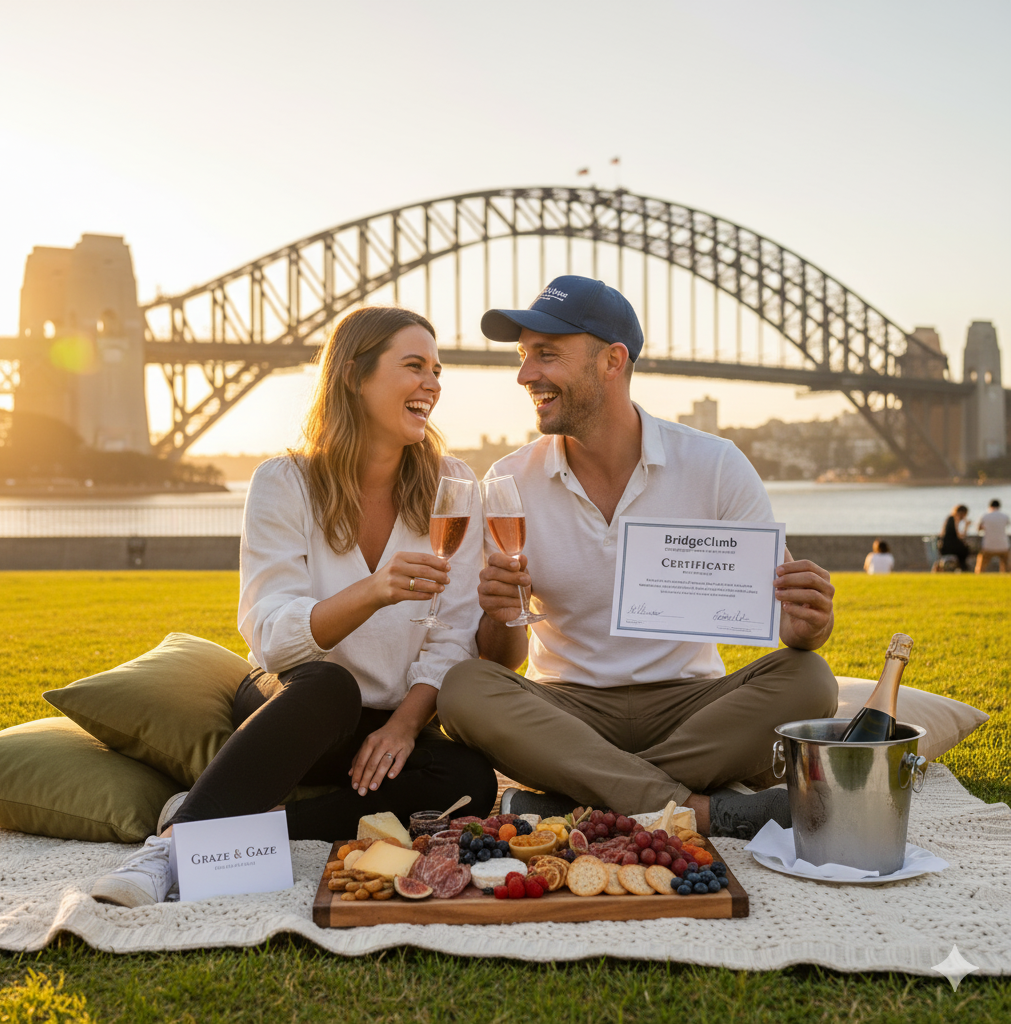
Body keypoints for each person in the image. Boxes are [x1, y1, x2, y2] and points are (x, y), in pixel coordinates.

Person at [92, 306, 497, 908]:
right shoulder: (283, 482)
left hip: (390, 721)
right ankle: (171, 850)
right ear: (354, 377)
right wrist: (373, 590)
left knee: (470, 779)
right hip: (299, 699)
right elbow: (275, 638)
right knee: (331, 687)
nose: (433, 384)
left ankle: (235, 827)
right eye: (414, 366)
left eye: (437, 370)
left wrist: (406, 724)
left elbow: (456, 628)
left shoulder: (454, 486)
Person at [437, 276, 837, 841]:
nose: (525, 375)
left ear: (613, 361)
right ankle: (698, 812)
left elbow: (785, 627)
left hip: (693, 704)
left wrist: (807, 626)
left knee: (811, 679)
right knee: (464, 688)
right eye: (524, 357)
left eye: (546, 355)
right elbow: (504, 662)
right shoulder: (507, 480)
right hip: (569, 709)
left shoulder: (715, 465)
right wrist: (501, 614)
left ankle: (575, 799)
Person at [975, 499, 1010, 573]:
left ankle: (978, 577)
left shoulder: (985, 516)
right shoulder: (1005, 516)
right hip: (1003, 546)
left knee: (981, 566)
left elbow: (979, 529)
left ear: (990, 506)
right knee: (1006, 566)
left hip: (988, 546)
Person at [939, 504, 970, 572]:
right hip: (950, 548)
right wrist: (966, 526)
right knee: (965, 550)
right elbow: (961, 536)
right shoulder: (955, 519)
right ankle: (963, 568)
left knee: (964, 549)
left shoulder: (949, 518)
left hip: (944, 547)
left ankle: (962, 568)